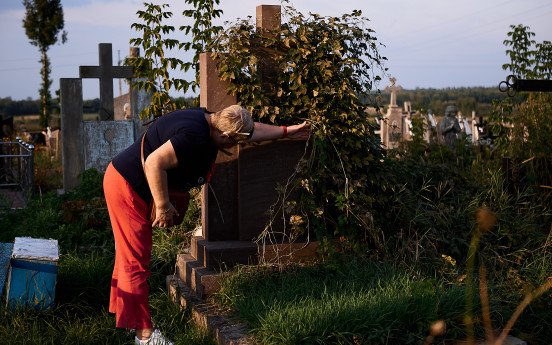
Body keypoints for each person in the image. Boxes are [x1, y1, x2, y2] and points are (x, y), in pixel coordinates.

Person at [103, 105, 310, 345]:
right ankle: (144, 336)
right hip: (128, 187)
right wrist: (162, 205)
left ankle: (128, 320)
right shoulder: (194, 135)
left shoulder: (213, 119)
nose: (234, 147)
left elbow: (250, 132)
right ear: (224, 135)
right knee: (134, 261)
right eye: (233, 142)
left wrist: (286, 131)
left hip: (125, 181)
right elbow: (153, 163)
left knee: (129, 257)